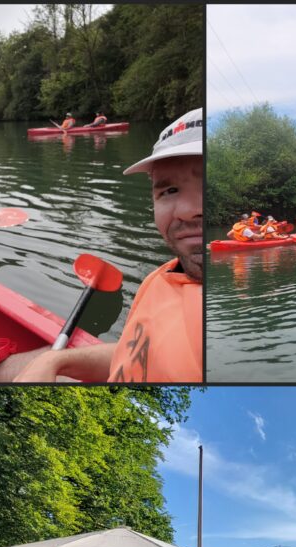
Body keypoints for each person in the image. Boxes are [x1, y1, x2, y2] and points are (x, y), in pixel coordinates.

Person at [13, 108, 204, 383]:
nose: (186, 210)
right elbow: (135, 354)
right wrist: (55, 359)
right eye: (169, 190)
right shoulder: (159, 279)